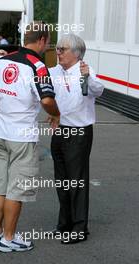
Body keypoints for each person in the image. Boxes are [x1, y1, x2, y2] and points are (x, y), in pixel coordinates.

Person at [0, 21, 60, 253]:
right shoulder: (37, 66)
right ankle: (9, 239)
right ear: (41, 40)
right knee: (17, 190)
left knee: (0, 186)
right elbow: (48, 100)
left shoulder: (1, 60)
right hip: (22, 137)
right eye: (48, 41)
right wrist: (56, 114)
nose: (48, 45)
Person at [48, 34, 104, 244]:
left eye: (62, 49)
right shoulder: (54, 71)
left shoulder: (85, 72)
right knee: (61, 181)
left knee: (77, 182)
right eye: (58, 48)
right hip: (59, 131)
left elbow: (98, 90)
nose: (58, 52)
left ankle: (80, 228)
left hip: (79, 133)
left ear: (76, 53)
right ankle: (65, 224)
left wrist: (88, 77)